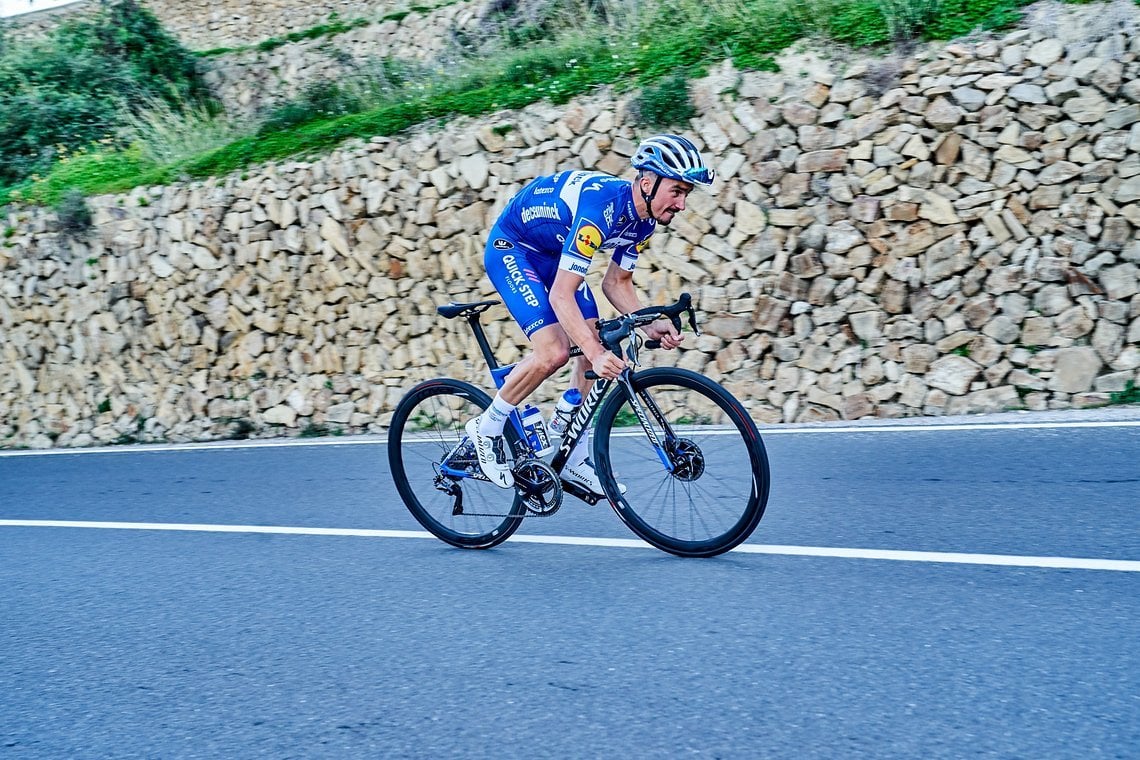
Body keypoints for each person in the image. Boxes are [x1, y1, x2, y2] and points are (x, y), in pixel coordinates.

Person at [465, 133, 716, 493]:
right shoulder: (600, 210)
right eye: (676, 191)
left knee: (598, 341)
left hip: (553, 255)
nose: (681, 204)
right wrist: (595, 354)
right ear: (647, 182)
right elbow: (561, 296)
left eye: (686, 194)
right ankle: (486, 427)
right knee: (555, 351)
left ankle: (569, 445)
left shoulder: (643, 221)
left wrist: (650, 324)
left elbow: (617, 282)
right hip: (514, 248)